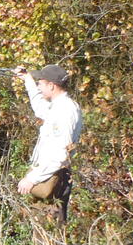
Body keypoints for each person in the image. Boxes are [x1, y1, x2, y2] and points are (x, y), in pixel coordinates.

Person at [12, 63, 82, 222]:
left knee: (50, 234)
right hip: (47, 175)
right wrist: (28, 80)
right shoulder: (56, 106)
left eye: (40, 83)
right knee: (41, 230)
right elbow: (39, 107)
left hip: (54, 177)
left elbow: (61, 154)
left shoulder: (66, 110)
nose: (39, 86)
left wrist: (33, 178)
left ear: (51, 86)